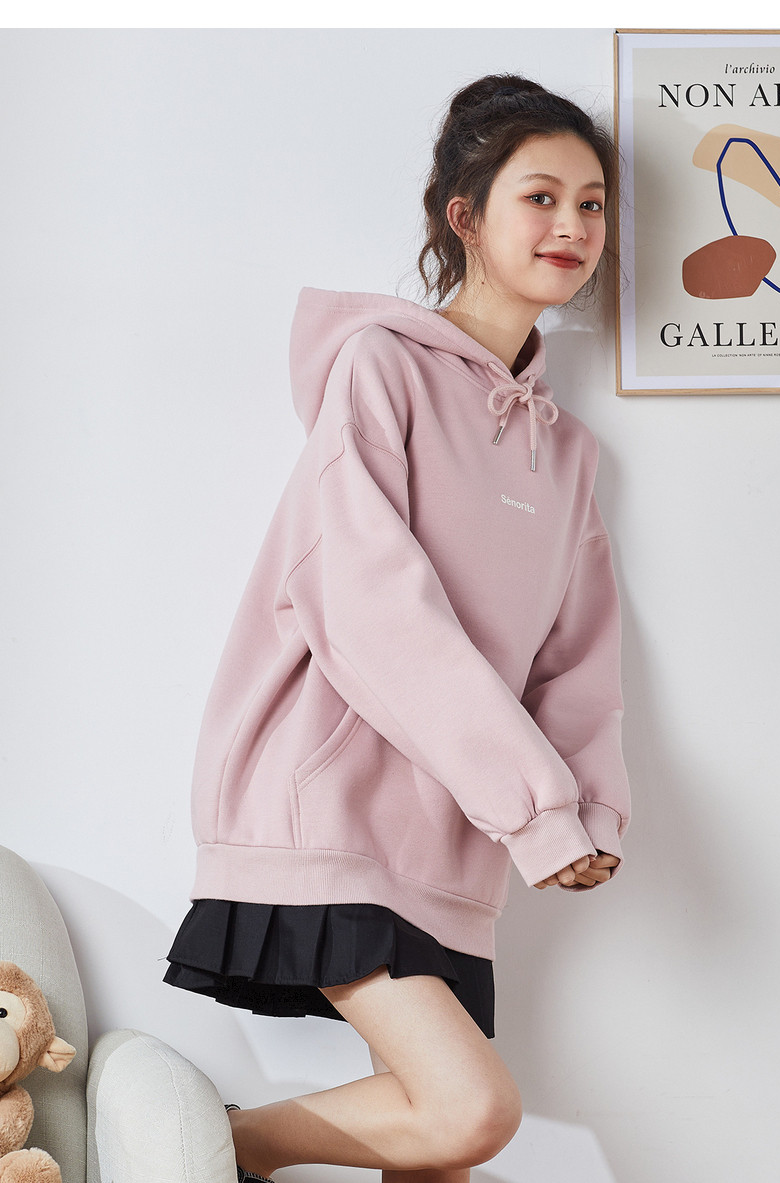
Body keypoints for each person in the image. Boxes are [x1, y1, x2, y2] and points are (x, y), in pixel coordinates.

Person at [165, 73, 630, 1183]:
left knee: (434, 1157)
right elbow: (369, 605)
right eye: (540, 197)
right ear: (464, 215)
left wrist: (590, 808)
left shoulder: (566, 452)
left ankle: (194, 1150)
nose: (572, 226)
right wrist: (538, 808)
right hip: (331, 802)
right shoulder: (380, 370)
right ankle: (182, 1147)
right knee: (471, 1111)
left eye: (592, 204)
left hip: (454, 840)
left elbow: (578, 658)